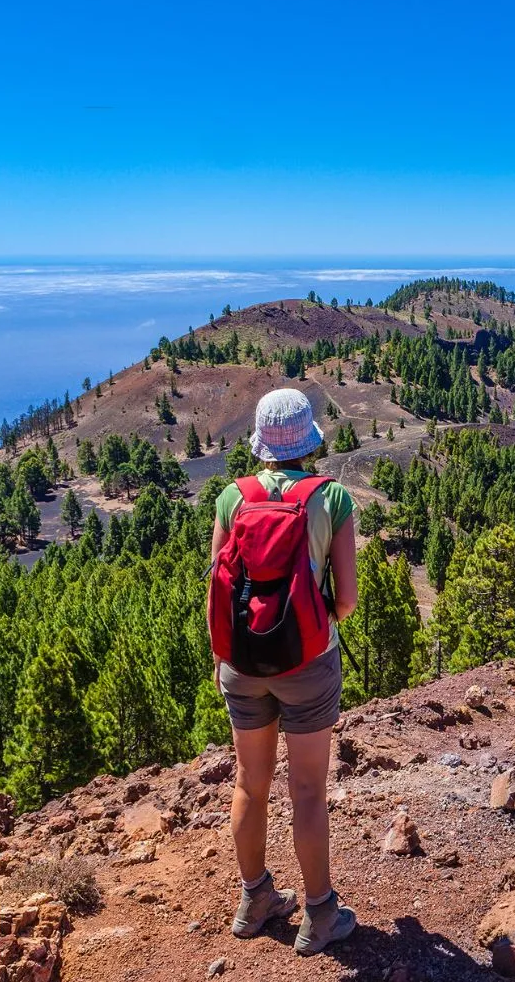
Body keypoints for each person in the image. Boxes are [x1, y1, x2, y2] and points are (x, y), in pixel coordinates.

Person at [211, 388, 359, 955]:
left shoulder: (232, 497)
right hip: (308, 663)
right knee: (307, 791)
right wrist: (313, 624)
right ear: (308, 440)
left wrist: (223, 654)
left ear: (262, 443)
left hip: (241, 662)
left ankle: (254, 900)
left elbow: (218, 585)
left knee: (250, 783)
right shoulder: (333, 497)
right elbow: (345, 599)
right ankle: (319, 914)